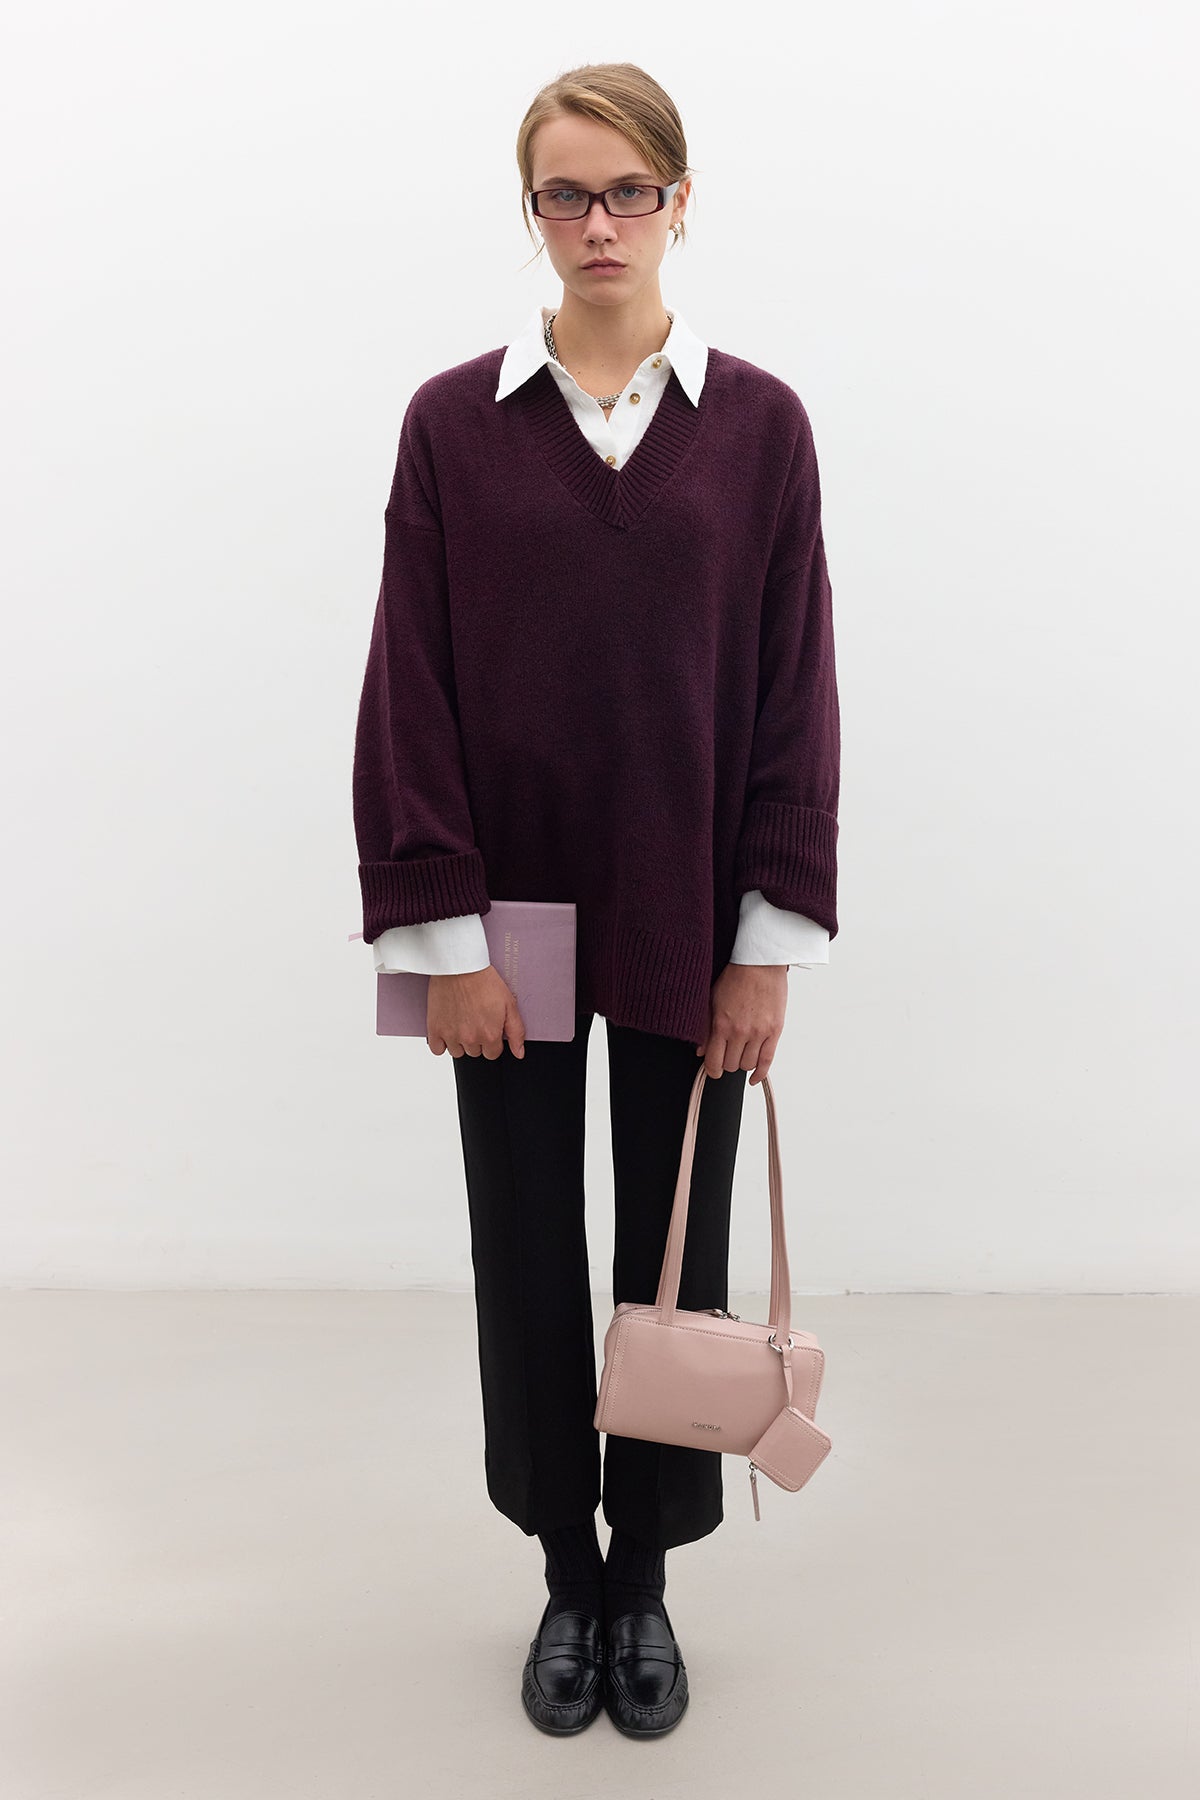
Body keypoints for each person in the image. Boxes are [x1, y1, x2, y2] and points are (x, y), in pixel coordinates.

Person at [351, 61, 840, 1738]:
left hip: (690, 896)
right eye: (567, 193)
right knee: (525, 1242)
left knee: (672, 1253)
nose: (600, 223)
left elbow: (795, 690)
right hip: (507, 914)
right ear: (534, 212)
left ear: (680, 200)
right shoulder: (451, 424)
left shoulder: (761, 429)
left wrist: (768, 942)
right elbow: (407, 685)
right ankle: (565, 1565)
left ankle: (648, 1581)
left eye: (630, 190)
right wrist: (444, 941)